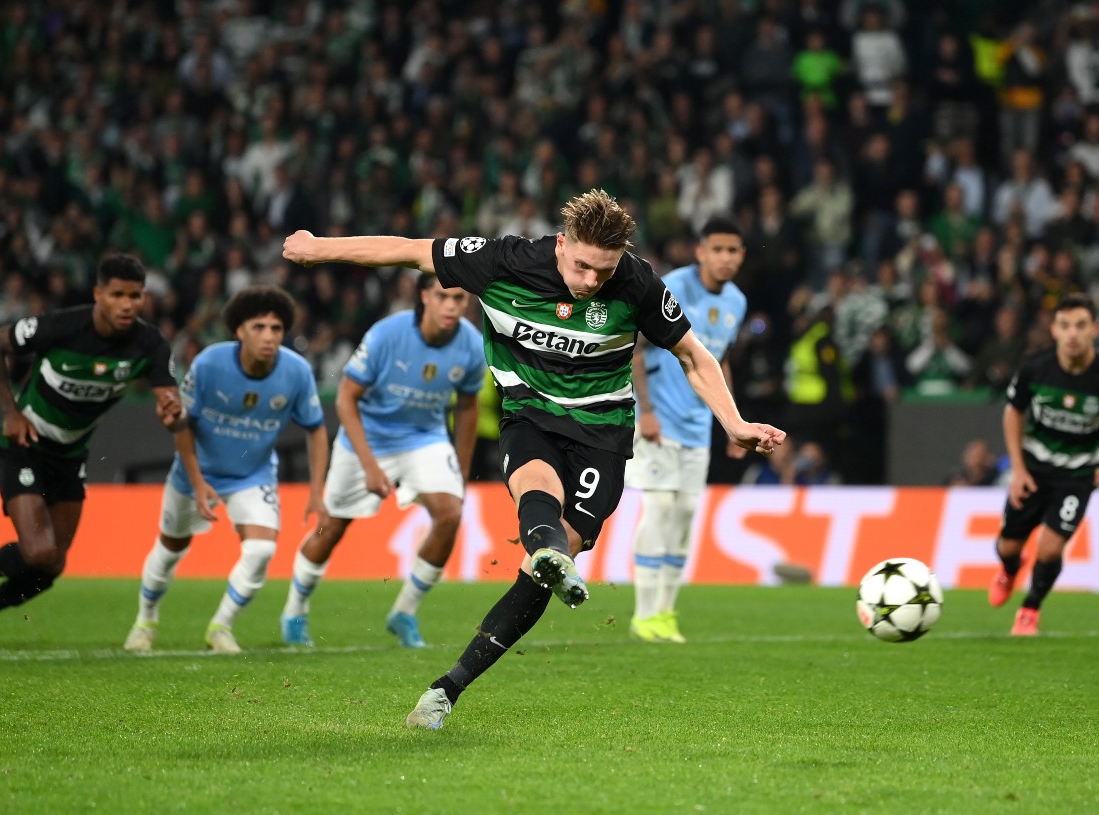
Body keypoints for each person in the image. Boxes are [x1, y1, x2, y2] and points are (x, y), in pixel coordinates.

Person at [282, 188, 786, 730]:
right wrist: (318, 248)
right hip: (530, 414)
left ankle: (460, 669)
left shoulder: (637, 281)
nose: (592, 281)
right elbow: (408, 249)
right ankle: (448, 690)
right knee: (536, 489)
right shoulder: (505, 261)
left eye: (604, 271)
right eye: (583, 266)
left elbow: (692, 352)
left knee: (548, 561)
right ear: (562, 244)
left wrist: (734, 424)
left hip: (603, 433)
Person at [0, 255, 184, 656]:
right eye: (117, 295)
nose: (127, 304)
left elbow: (168, 399)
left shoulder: (149, 344)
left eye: (135, 296)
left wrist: (170, 411)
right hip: (24, 445)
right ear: (99, 294)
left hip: (71, 456)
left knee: (53, 566)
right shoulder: (61, 327)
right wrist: (10, 412)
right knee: (39, 551)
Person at [278, 274, 485, 649]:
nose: (452, 306)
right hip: (368, 436)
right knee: (331, 529)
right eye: (443, 297)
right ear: (425, 297)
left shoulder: (471, 344)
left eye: (459, 298)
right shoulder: (386, 335)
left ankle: (404, 612)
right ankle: (294, 610)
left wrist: (462, 471)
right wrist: (370, 466)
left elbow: (468, 406)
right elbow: (345, 399)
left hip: (425, 438)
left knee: (450, 513)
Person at [123, 285, 329, 654]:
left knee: (262, 550)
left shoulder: (296, 372)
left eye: (276, 328)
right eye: (259, 327)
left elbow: (316, 428)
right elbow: (181, 423)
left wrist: (317, 490)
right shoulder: (209, 364)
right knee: (171, 549)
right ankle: (145, 620)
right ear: (239, 330)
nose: (268, 337)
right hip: (195, 472)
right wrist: (198, 482)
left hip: (253, 474)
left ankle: (221, 626)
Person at [989, 294, 1099, 635]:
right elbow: (1013, 412)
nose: (1073, 334)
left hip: (1078, 475)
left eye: (1080, 325)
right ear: (1054, 330)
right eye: (1065, 326)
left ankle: (1030, 608)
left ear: (1095, 329)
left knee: (1050, 547)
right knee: (1008, 546)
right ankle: (1008, 570)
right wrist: (1017, 469)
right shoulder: (1036, 366)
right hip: (1033, 468)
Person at [624, 215, 748, 643]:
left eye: (733, 251)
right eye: (718, 249)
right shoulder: (671, 285)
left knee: (685, 516)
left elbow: (721, 360)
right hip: (658, 421)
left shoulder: (736, 302)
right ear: (701, 252)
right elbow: (637, 351)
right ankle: (643, 614)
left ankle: (666, 613)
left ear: (741, 256)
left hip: (698, 426)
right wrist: (646, 411)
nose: (725, 258)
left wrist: (731, 423)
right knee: (658, 510)